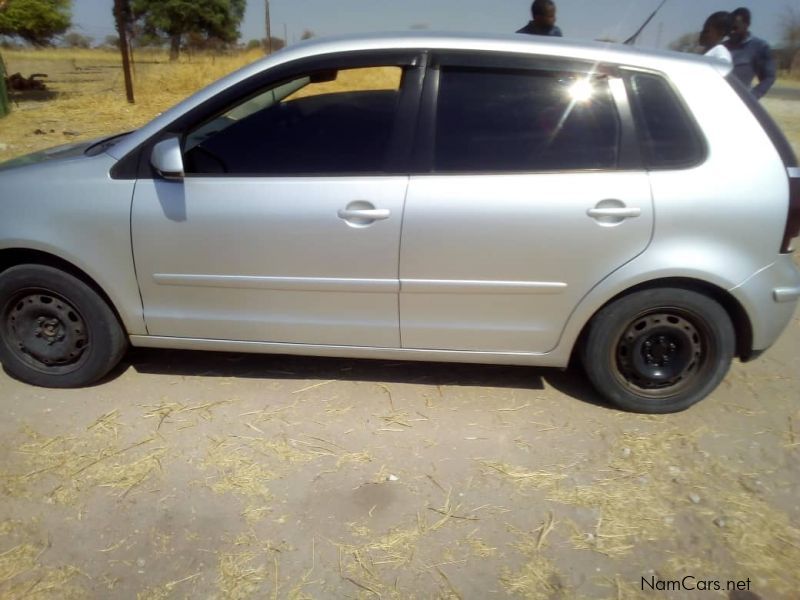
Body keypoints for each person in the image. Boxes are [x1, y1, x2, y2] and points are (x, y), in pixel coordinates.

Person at [725, 7, 776, 99]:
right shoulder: (722, 47)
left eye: (735, 28)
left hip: (740, 102)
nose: (731, 32)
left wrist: (752, 96)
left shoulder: (759, 47)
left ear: (747, 24)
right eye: (729, 29)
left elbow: (769, 77)